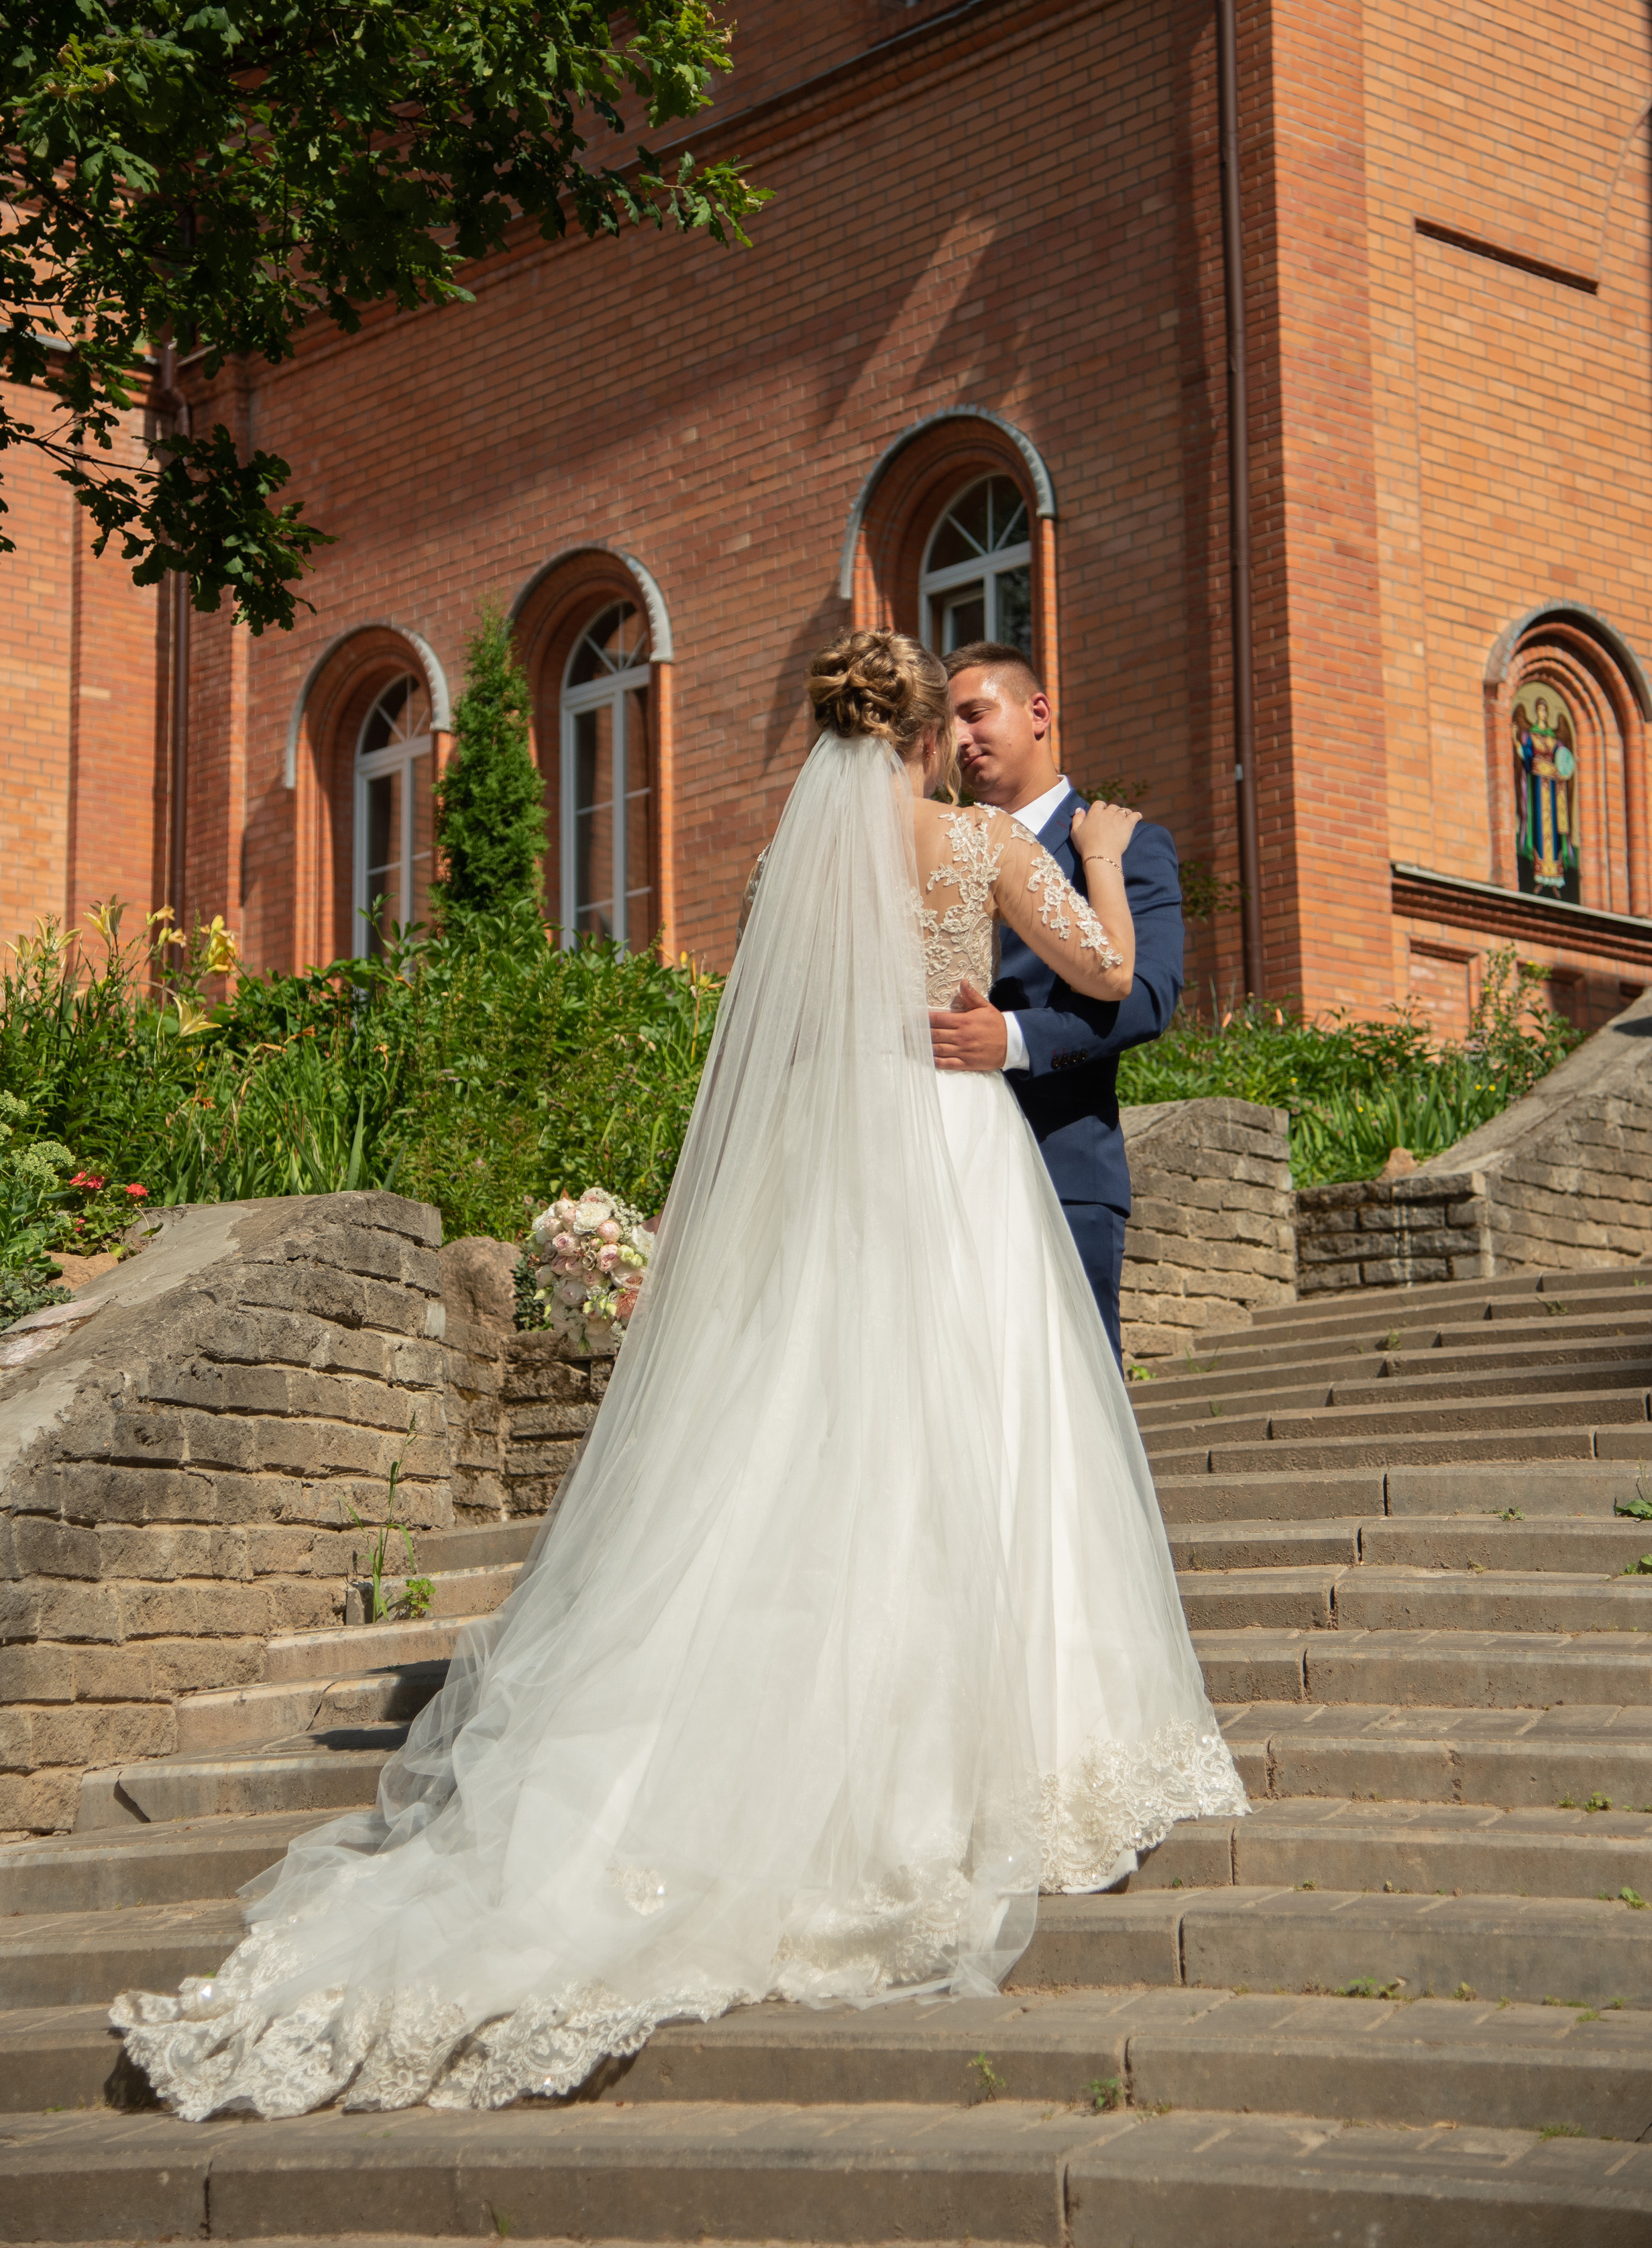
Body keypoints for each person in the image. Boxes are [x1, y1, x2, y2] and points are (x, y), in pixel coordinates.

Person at [113, 631, 1245, 2123]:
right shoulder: (972, 845)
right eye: (952, 716)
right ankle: (994, 1747)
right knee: (987, 1437)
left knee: (834, 1446)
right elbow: (1111, 973)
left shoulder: (798, 869)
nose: (968, 739)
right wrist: (1092, 859)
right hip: (959, 1166)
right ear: (921, 732)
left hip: (844, 1170)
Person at [934, 643, 1184, 1368]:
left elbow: (1144, 1000)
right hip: (937, 1168)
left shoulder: (1123, 844)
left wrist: (1010, 1039)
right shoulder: (935, 843)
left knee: (1073, 1409)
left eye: (975, 714)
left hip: (1059, 1166)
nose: (960, 738)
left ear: (1037, 711)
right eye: (947, 724)